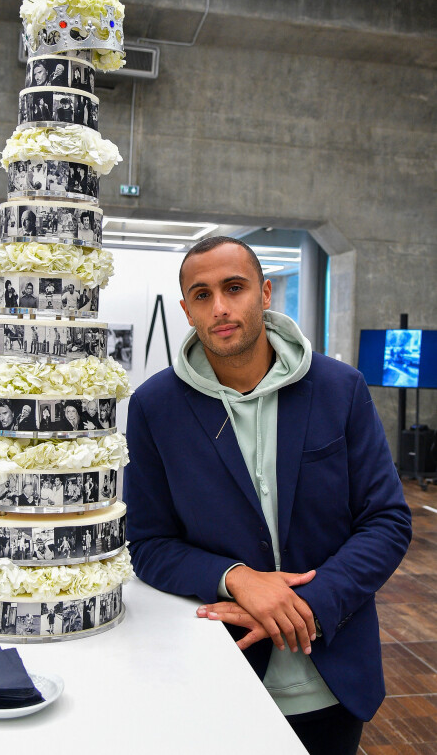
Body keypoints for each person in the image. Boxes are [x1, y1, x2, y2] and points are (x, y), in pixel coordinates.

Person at [124, 236, 412, 755]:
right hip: (215, 673)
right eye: (203, 295)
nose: (221, 308)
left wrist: (302, 605)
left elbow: (387, 521)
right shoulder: (154, 407)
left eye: (234, 288)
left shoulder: (339, 388)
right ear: (187, 310)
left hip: (332, 678)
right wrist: (237, 579)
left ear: (265, 293)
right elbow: (147, 543)